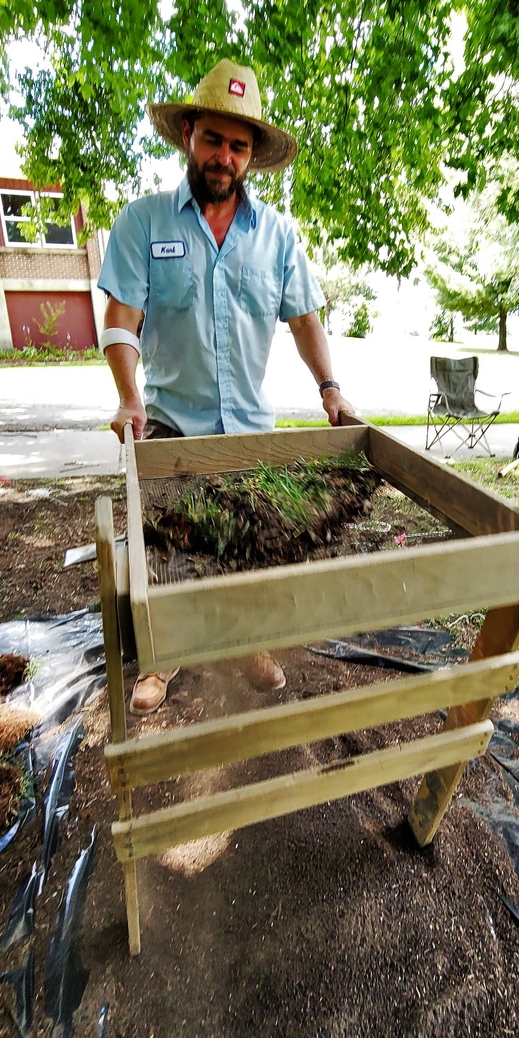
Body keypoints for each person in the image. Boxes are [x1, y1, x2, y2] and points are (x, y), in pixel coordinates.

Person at [98, 58, 355, 714]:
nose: (224, 156)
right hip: (168, 422)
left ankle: (246, 644)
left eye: (238, 146)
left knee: (247, 546)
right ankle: (162, 657)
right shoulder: (142, 223)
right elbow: (121, 321)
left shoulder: (277, 237)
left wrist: (330, 387)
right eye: (214, 139)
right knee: (169, 548)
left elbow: (304, 318)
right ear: (189, 133)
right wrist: (128, 394)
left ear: (251, 158)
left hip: (247, 427)